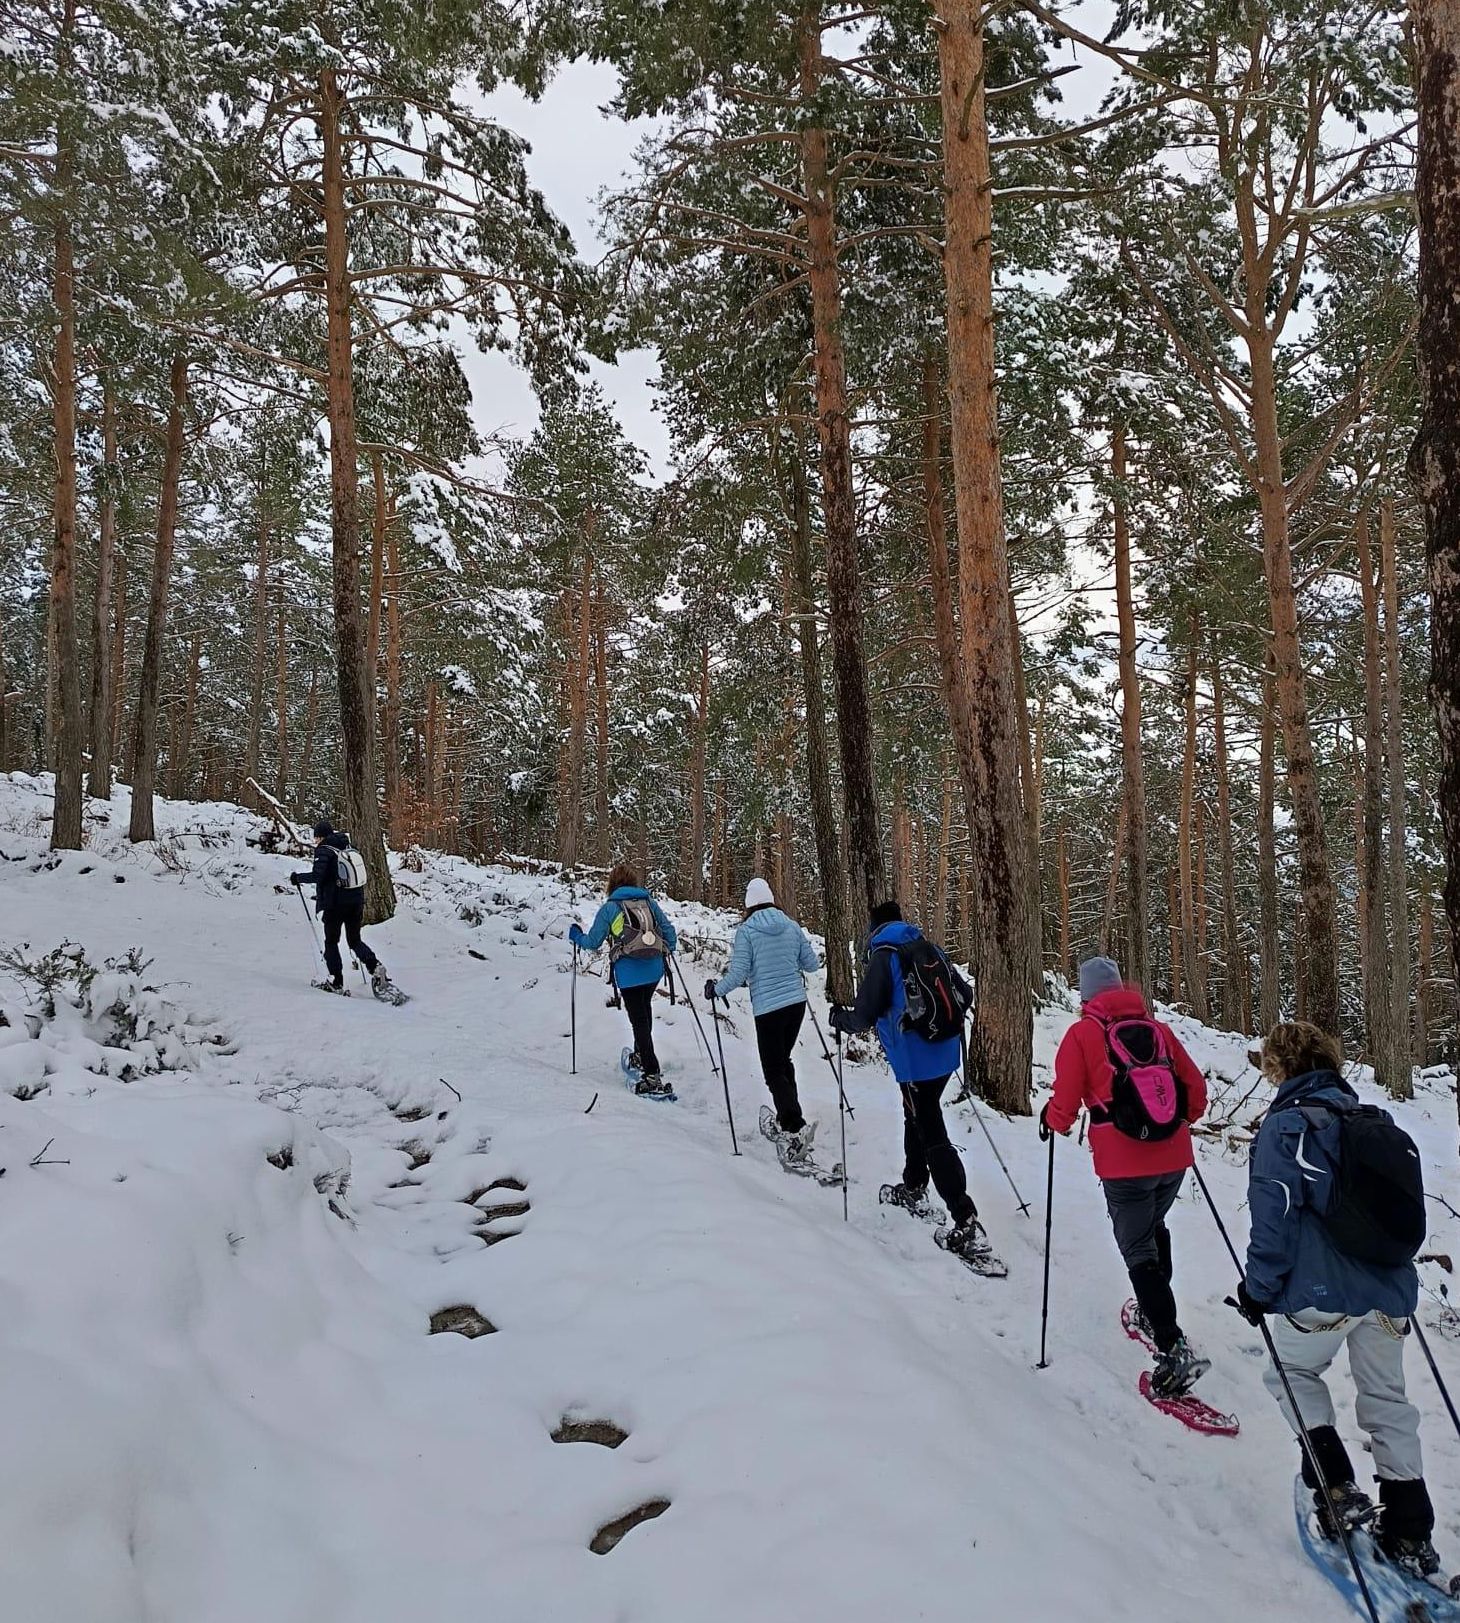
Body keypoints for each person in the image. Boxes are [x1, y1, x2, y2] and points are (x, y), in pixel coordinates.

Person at [1236, 1020, 1438, 1578]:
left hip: (1321, 1293)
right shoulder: (1374, 1121)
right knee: (1389, 1402)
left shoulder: (1284, 1128)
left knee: (1291, 1375)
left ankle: (1336, 1485)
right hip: (1389, 1291)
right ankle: (1410, 1528)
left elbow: (1272, 1220)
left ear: (1280, 1068)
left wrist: (1257, 1292)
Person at [1043, 955, 1210, 1397]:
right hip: (1173, 1158)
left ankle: (1172, 1346)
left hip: (1123, 1163)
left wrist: (1053, 1120)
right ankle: (1154, 1315)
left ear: (1086, 995)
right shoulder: (1159, 1031)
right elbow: (1195, 1089)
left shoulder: (1083, 1034)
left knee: (1138, 1248)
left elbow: (1066, 1097)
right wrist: (1180, 1122)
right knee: (1153, 1229)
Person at [827, 901, 986, 1262]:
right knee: (915, 1115)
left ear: (874, 927)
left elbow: (865, 1014)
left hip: (915, 1062)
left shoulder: (884, 956)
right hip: (945, 1053)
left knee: (932, 1132)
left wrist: (840, 1019)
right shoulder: (929, 948)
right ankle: (914, 1185)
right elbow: (965, 993)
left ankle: (966, 1218)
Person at [705, 877, 820, 1161]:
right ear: (770, 899)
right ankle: (790, 1117)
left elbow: (740, 971)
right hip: (795, 1005)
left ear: (748, 905)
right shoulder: (791, 926)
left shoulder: (747, 931)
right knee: (783, 1062)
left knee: (773, 1070)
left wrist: (716, 989)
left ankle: (793, 1127)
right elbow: (812, 964)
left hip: (769, 1009)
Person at [569, 864, 678, 1095]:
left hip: (629, 973)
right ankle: (641, 1055)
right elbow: (668, 931)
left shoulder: (610, 908)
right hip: (654, 969)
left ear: (612, 884)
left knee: (638, 1020)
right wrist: (667, 951)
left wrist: (576, 936)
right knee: (644, 1011)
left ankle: (651, 1073)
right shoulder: (648, 902)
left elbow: (593, 942)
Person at [291, 819, 389, 996]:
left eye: (316, 838)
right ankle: (375, 966)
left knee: (331, 942)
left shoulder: (324, 850)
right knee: (354, 941)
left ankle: (336, 981)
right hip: (356, 901)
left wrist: (297, 878)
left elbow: (318, 875)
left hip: (335, 904)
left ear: (320, 837)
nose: (315, 842)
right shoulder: (347, 845)